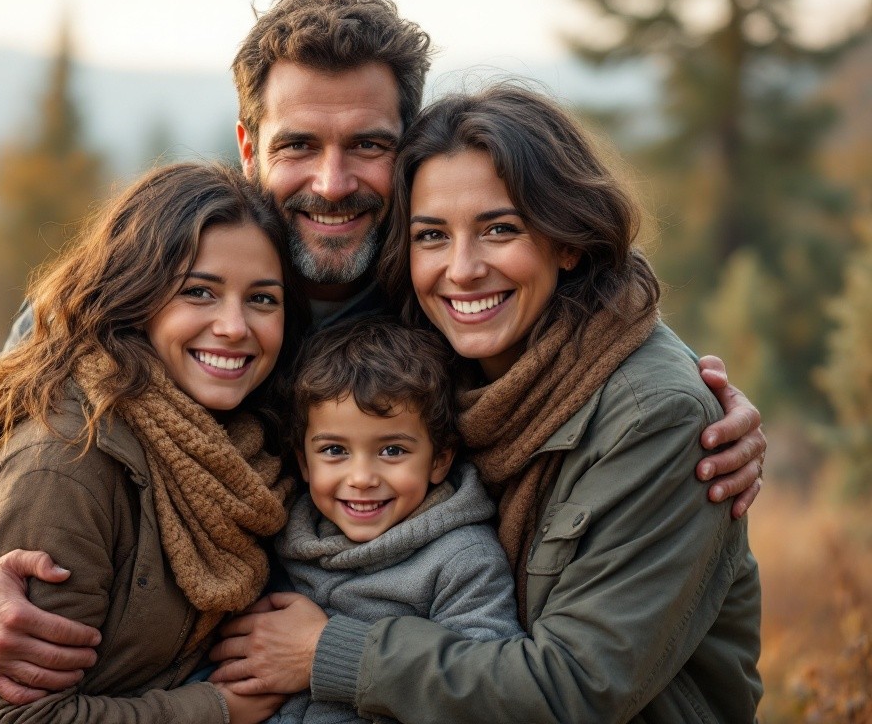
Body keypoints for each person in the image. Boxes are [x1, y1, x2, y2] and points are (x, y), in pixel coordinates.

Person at [0, 0, 765, 706]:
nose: (333, 181)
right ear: (248, 147)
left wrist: (697, 392)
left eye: (369, 146)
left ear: (411, 151)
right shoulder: (154, 286)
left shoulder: (433, 298)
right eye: (299, 145)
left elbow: (589, 320)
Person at [207, 85, 763, 722]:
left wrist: (327, 651)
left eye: (500, 229)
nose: (463, 269)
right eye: (432, 236)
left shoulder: (655, 418)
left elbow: (578, 688)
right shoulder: (433, 362)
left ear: (568, 239)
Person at [0, 161, 307, 723]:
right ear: (136, 295)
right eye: (199, 292)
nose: (235, 326)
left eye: (263, 299)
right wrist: (218, 709)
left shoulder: (238, 447)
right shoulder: (65, 464)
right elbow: (24, 719)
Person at [269, 317, 523, 724]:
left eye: (391, 451)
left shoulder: (463, 560)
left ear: (439, 458)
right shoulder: (285, 541)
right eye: (334, 450)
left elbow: (483, 693)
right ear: (303, 460)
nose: (362, 479)